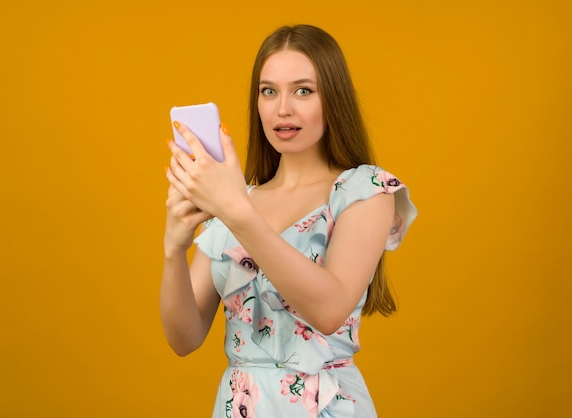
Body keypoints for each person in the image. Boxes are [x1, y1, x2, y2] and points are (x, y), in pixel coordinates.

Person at [161, 24, 417, 418]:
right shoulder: (239, 201)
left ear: (332, 98)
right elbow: (184, 338)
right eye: (269, 91)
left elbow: (329, 310)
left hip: (324, 406)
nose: (283, 108)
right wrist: (174, 250)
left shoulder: (363, 189)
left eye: (303, 90)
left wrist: (236, 214)